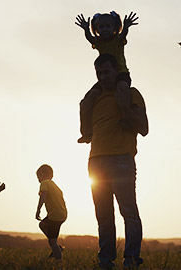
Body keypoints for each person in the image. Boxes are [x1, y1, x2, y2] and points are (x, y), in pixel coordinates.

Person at [78, 54, 148, 268]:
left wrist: (124, 107)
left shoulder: (131, 94)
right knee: (104, 216)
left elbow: (144, 128)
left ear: (117, 71)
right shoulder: (95, 98)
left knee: (128, 212)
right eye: (99, 73)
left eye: (106, 72)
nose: (103, 77)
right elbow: (86, 133)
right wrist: (83, 111)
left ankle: (131, 259)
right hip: (96, 161)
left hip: (122, 160)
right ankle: (106, 260)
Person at [75, 11, 139, 143]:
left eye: (108, 26)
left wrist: (126, 26)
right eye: (101, 27)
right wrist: (86, 29)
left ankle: (126, 119)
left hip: (121, 74)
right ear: (97, 30)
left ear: (114, 28)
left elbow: (124, 34)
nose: (104, 30)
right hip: (105, 78)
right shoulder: (99, 43)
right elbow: (90, 38)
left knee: (122, 90)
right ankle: (87, 132)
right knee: (88, 99)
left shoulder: (117, 40)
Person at [35, 164, 67, 261]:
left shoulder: (44, 183)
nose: (38, 179)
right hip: (60, 214)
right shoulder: (55, 186)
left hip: (55, 216)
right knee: (42, 224)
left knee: (52, 241)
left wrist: (38, 208)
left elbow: (43, 195)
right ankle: (57, 247)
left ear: (43, 174)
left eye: (38, 176)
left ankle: (58, 259)